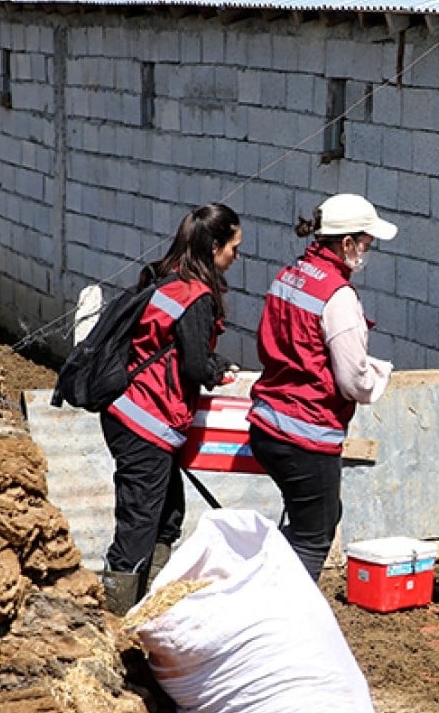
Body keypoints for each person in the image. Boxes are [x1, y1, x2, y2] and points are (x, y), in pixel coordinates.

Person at [100, 202, 243, 614]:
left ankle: (148, 602)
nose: (236, 257)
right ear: (215, 246)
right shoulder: (196, 297)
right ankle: (116, 615)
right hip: (146, 422)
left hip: (131, 414)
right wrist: (219, 372)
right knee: (139, 525)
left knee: (166, 515)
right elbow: (196, 364)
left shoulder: (165, 279)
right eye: (234, 247)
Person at [246, 193, 396, 583]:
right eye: (366, 243)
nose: (367, 251)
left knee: (318, 518)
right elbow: (353, 381)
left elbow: (272, 343)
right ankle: (285, 622)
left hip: (267, 424)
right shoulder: (338, 296)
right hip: (306, 434)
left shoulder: (290, 274)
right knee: (314, 537)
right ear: (346, 243)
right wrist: (380, 375)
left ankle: (266, 591)